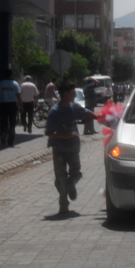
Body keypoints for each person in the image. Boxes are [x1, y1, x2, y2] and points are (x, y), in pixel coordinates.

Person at [45, 81, 97, 214]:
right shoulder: (55, 111)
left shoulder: (74, 107)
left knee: (75, 173)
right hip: (59, 151)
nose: (75, 95)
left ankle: (70, 186)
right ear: (66, 94)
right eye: (73, 93)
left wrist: (104, 118)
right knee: (60, 177)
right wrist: (65, 136)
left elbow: (88, 113)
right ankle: (63, 204)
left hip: (73, 149)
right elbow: (48, 132)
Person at [0, 69, 22, 147]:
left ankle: (3, 133)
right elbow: (18, 96)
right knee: (12, 124)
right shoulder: (15, 84)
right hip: (12, 105)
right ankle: (10, 142)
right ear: (11, 75)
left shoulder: (1, 83)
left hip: (3, 104)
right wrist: (21, 106)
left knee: (3, 122)